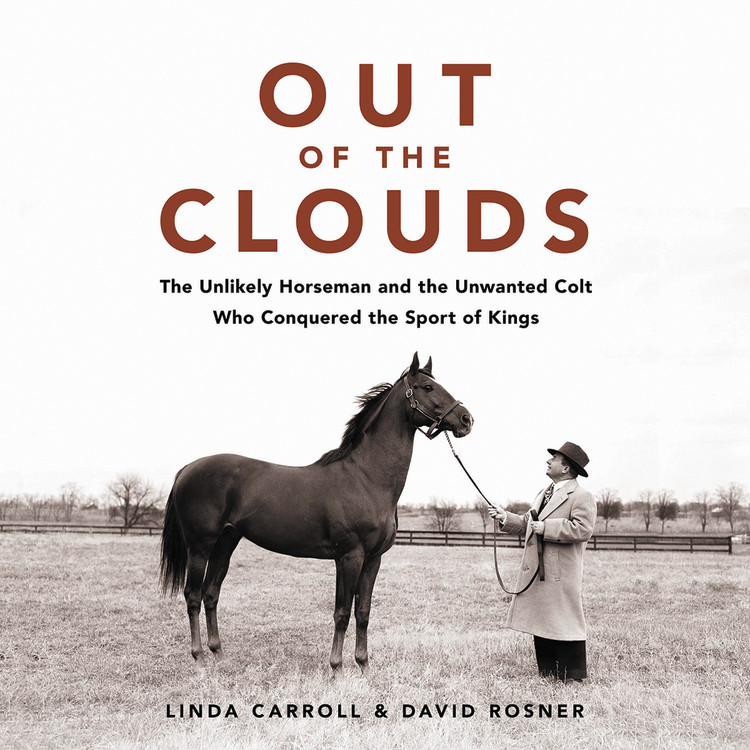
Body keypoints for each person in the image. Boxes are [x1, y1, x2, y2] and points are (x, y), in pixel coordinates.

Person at [489, 442, 596, 683]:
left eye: (554, 459)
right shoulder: (544, 493)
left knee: (566, 619)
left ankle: (573, 675)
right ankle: (548, 672)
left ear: (566, 468)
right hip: (540, 569)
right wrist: (505, 517)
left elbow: (583, 529)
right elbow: (529, 523)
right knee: (542, 619)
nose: (548, 461)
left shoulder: (582, 496)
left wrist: (546, 527)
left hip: (561, 571)